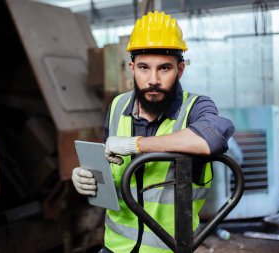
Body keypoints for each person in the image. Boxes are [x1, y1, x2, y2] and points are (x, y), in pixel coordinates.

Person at [72, 11, 234, 253]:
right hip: (114, 247)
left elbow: (210, 139)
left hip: (169, 249)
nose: (153, 79)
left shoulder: (196, 107)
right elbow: (110, 167)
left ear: (180, 70)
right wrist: (87, 178)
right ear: (131, 68)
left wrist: (136, 144)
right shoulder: (117, 106)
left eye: (164, 68)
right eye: (144, 67)